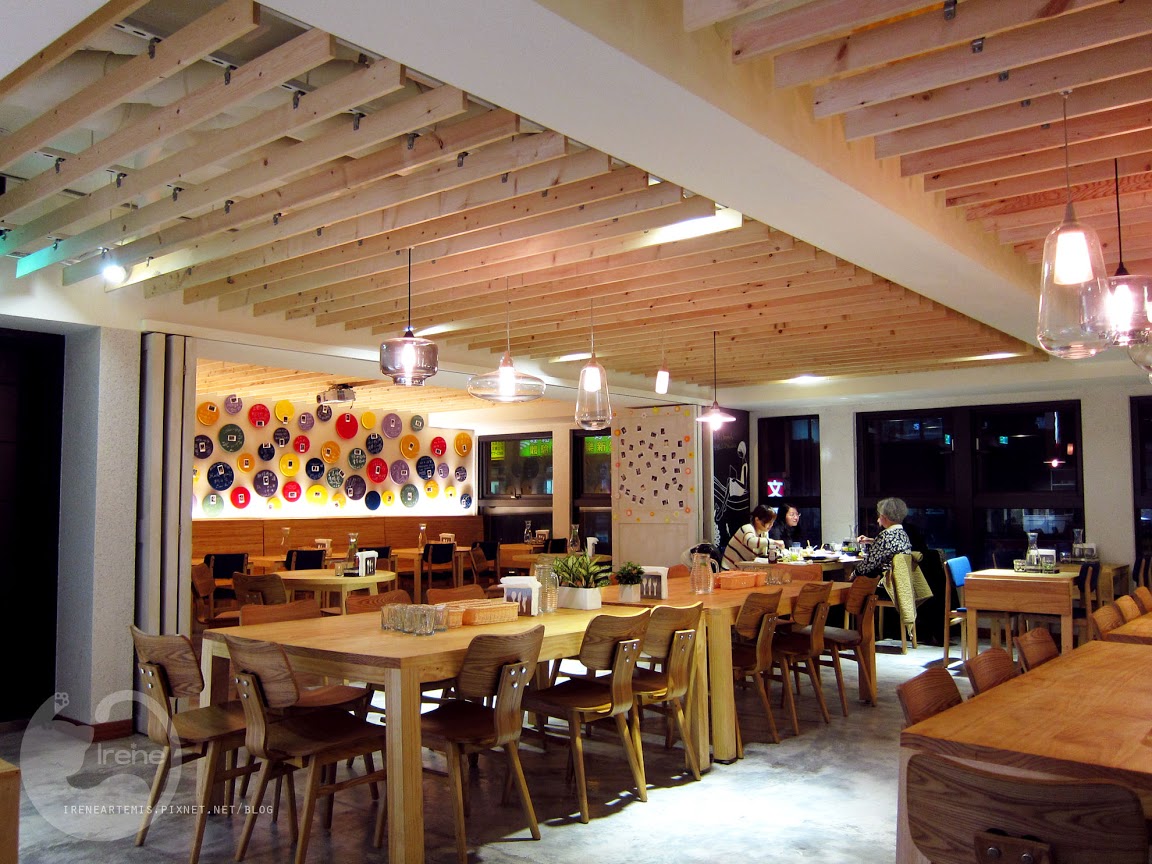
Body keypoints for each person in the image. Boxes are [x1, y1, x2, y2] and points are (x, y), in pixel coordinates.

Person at [854, 497, 912, 577]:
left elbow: (869, 564)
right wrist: (871, 541)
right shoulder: (903, 534)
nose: (878, 519)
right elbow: (891, 546)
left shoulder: (884, 536)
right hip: (901, 578)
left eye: (879, 515)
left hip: (886, 580)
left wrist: (854, 573)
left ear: (884, 516)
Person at [723, 504, 776, 569]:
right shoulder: (747, 528)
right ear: (757, 519)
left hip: (745, 570)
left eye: (772, 522)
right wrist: (774, 542)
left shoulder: (764, 534)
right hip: (730, 570)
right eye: (768, 521)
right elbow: (751, 542)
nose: (771, 525)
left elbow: (761, 556)